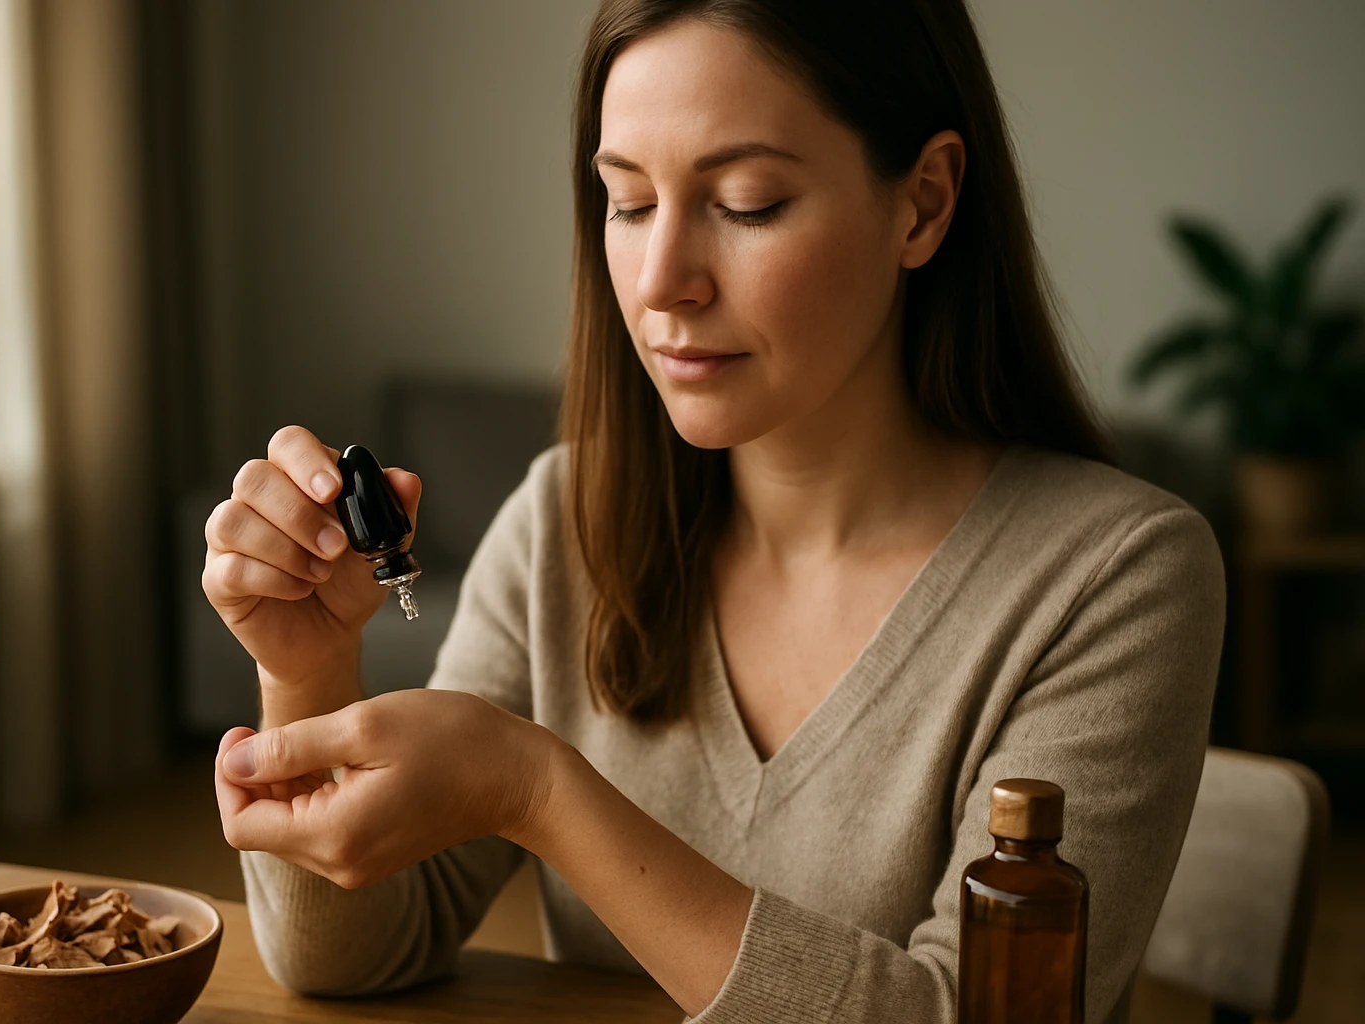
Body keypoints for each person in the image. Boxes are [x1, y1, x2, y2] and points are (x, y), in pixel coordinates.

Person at [202, 2, 1225, 1022]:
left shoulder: (1119, 575)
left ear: (921, 204)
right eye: (629, 202)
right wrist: (308, 670)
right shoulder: (565, 521)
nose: (660, 284)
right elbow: (350, 959)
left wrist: (540, 791)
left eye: (746, 203)